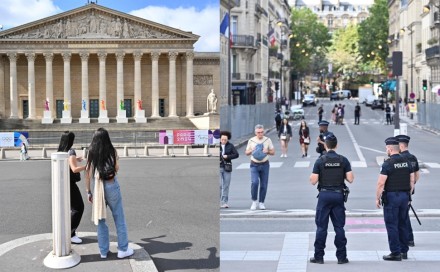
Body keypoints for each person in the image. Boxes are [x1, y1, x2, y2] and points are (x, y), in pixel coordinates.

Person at [85, 128, 134, 259]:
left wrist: (88, 191)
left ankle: (103, 251)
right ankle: (123, 249)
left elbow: (88, 174)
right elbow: (116, 168)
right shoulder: (112, 150)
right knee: (119, 218)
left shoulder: (91, 152)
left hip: (98, 186)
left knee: (100, 220)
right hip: (111, 184)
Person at [309, 133, 354, 264]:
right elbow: (350, 179)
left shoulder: (320, 160)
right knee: (339, 227)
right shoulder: (343, 160)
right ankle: (341, 257)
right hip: (338, 195)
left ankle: (319, 257)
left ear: (325, 145)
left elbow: (313, 181)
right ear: (337, 145)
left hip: (324, 195)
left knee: (321, 227)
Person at [375, 137, 414, 261]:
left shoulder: (387, 163)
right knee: (403, 223)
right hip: (404, 196)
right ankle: (404, 251)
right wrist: (409, 194)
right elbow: (412, 180)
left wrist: (377, 198)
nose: (386, 150)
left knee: (392, 225)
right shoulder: (407, 161)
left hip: (392, 197)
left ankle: (395, 252)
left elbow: (381, 183)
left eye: (387, 148)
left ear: (390, 149)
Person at [57, 131, 86, 244]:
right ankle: (70, 233)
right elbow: (74, 169)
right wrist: (87, 166)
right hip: (71, 184)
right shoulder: (71, 151)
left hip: (63, 183)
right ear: (71, 140)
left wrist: (75, 158)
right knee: (78, 207)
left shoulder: (61, 150)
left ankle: (70, 232)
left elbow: (69, 162)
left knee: (71, 208)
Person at [396, 134, 420, 247]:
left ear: (400, 145)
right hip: (410, 190)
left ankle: (408, 239)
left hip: (401, 190)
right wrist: (412, 186)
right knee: (405, 215)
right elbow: (417, 175)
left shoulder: (400, 158)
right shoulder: (413, 158)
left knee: (402, 217)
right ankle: (409, 238)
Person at [245, 124, 275, 210]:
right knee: (254, 182)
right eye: (258, 132)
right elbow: (246, 153)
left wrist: (267, 151)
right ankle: (254, 201)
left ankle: (261, 202)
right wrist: (252, 150)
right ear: (255, 132)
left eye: (262, 132)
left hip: (265, 164)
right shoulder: (251, 140)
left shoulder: (267, 140)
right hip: (254, 164)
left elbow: (273, 152)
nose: (260, 134)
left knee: (264, 184)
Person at [220, 131, 239, 208]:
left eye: (225, 139)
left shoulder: (230, 146)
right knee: (219, 185)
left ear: (228, 139)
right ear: (220, 139)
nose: (223, 141)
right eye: (222, 139)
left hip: (227, 167)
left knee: (226, 185)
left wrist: (227, 156)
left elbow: (236, 154)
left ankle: (224, 202)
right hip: (219, 166)